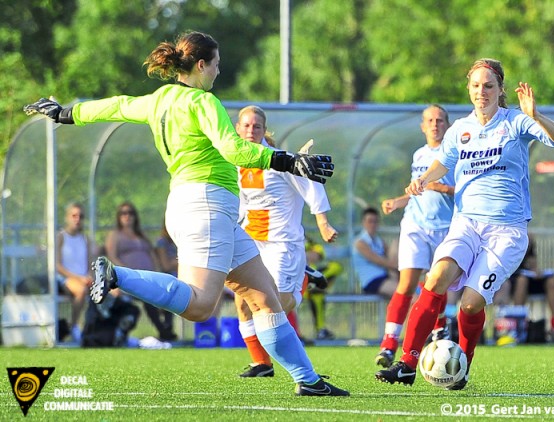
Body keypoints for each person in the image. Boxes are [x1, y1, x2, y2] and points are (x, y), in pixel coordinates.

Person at [24, 31, 347, 396]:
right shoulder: (204, 102)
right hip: (206, 206)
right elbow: (235, 150)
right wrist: (289, 160)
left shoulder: (160, 99)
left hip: (196, 206)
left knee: (264, 297)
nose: (218, 72)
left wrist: (67, 113)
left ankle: (309, 381)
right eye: (216, 65)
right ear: (200, 65)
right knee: (199, 307)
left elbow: (116, 105)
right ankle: (118, 275)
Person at [375, 58, 554, 390]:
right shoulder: (459, 129)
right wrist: (422, 179)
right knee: (435, 277)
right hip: (465, 224)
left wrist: (535, 115)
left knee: (470, 303)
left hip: (506, 232)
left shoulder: (516, 121)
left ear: (500, 90)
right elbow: (443, 162)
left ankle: (461, 363)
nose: (482, 92)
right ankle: (407, 362)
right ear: (469, 89)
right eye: (476, 86)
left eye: (489, 86)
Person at [233, 105, 339, 377]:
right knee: (242, 300)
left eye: (256, 126)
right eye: (246, 126)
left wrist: (323, 223)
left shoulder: (280, 160)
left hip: (282, 244)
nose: (250, 131)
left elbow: (312, 183)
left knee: (275, 307)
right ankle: (261, 363)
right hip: (251, 242)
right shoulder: (235, 162)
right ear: (237, 129)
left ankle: (303, 279)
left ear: (264, 130)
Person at [374, 105, 455, 368]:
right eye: (430, 120)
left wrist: (440, 186)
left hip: (446, 227)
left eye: (440, 120)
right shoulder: (419, 154)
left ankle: (439, 330)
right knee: (406, 283)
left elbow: (466, 189)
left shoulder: (456, 153)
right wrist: (399, 201)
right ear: (423, 126)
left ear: (447, 124)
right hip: (415, 225)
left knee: (436, 283)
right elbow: (418, 189)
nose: (435, 124)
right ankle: (388, 344)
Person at [105, 202, 177, 342]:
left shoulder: (141, 235)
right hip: (128, 279)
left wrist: (156, 272)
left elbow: (153, 255)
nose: (127, 216)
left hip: (148, 277)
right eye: (124, 213)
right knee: (147, 296)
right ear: (119, 217)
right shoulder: (115, 235)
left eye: (131, 213)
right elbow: (112, 257)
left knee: (168, 291)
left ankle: (167, 327)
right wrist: (127, 273)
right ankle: (163, 331)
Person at [509, 234, 554, 343]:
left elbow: (533, 264)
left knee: (552, 280)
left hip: (529, 278)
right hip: (514, 281)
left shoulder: (529, 244)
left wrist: (536, 271)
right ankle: (518, 325)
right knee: (522, 280)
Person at [55, 202, 93, 343]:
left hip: (84, 279)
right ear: (67, 217)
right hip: (64, 279)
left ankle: (100, 332)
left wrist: (88, 276)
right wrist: (79, 278)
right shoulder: (60, 237)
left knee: (111, 291)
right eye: (74, 215)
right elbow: (57, 266)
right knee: (82, 290)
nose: (77, 219)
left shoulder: (86, 239)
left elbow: (90, 264)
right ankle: (74, 327)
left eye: (81, 216)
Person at [352, 207, 399, 297]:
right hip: (372, 281)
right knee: (407, 295)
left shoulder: (379, 241)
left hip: (386, 277)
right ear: (364, 222)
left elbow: (391, 255)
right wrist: (400, 266)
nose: (373, 224)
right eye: (370, 221)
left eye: (375, 221)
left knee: (396, 243)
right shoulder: (360, 242)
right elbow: (379, 261)